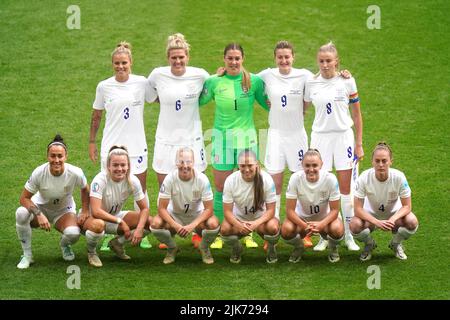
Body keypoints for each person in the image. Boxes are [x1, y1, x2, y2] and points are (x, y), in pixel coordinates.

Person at [200, 43, 269, 250]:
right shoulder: (214, 82)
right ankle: (223, 231)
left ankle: (248, 233)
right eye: (230, 58)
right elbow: (198, 102)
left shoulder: (254, 82)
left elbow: (268, 105)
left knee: (250, 187)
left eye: (237, 58)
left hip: (247, 142)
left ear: (243, 59)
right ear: (224, 59)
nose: (233, 62)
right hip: (220, 142)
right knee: (221, 189)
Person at [89, 41, 156, 251]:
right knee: (107, 191)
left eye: (124, 63)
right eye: (117, 63)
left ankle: (142, 233)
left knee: (140, 190)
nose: (121, 67)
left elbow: (159, 97)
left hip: (137, 147)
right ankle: (106, 232)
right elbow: (96, 115)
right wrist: (92, 141)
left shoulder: (142, 83)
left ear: (131, 62)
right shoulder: (104, 86)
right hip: (111, 148)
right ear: (112, 64)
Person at [148, 33, 209, 249]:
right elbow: (150, 96)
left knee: (195, 185)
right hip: (165, 140)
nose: (178, 61)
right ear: (168, 57)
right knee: (165, 186)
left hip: (192, 140)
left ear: (187, 56)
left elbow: (210, 92)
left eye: (181, 57)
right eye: (174, 58)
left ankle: (196, 232)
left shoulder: (200, 76)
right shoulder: (157, 75)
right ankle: (169, 234)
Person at [304, 41, 362, 252]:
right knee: (322, 188)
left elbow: (356, 115)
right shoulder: (311, 83)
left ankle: (348, 235)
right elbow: (301, 107)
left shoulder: (347, 81)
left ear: (336, 61)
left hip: (343, 137)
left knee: (346, 189)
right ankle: (324, 236)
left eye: (328, 61)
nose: (325, 65)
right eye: (321, 61)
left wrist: (359, 143)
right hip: (320, 138)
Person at [15, 135, 105, 269]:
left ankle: (64, 245)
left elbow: (85, 189)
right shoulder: (39, 173)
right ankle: (27, 255)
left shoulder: (76, 172)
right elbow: (24, 198)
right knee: (21, 213)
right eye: (53, 156)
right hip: (40, 208)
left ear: (66, 157)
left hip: (64, 211)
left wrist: (85, 210)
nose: (56, 160)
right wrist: (39, 214)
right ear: (47, 156)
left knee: (73, 234)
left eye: (60, 156)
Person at [257, 40, 314, 249]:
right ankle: (271, 232)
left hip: (297, 135)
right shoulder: (266, 75)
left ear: (293, 57)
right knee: (274, 184)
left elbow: (313, 93)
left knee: (302, 182)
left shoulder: (304, 76)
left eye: (287, 57)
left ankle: (304, 231)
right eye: (280, 57)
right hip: (275, 135)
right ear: (275, 58)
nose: (283, 60)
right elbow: (246, 81)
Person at [150, 147, 220, 264]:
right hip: (175, 215)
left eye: (188, 162)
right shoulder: (170, 179)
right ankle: (172, 248)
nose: (185, 166)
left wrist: (192, 225)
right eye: (181, 162)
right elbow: (161, 208)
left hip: (196, 216)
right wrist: (176, 226)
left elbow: (209, 209)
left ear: (193, 162)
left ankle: (204, 248)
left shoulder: (202, 179)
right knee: (155, 224)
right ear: (176, 163)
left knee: (213, 224)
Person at [350, 142, 419, 261]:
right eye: (377, 161)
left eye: (384, 161)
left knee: (412, 221)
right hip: (371, 216)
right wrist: (376, 222)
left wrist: (392, 219)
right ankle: (369, 244)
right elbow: (358, 209)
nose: (380, 164)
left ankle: (396, 244)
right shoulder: (364, 177)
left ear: (390, 161)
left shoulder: (399, 177)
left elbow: (407, 206)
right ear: (372, 162)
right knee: (354, 225)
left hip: (394, 216)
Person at [90, 145, 152, 262]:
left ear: (128, 166)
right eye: (115, 165)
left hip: (115, 216)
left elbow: (144, 209)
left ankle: (117, 243)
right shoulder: (100, 180)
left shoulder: (133, 181)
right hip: (94, 219)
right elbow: (95, 211)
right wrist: (120, 221)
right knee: (97, 225)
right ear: (108, 166)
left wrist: (139, 229)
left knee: (151, 222)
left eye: (123, 165)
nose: (120, 168)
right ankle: (91, 252)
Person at [281, 149, 344, 263]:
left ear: (321, 165)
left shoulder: (330, 179)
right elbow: (289, 211)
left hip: (326, 219)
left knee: (337, 229)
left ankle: (333, 248)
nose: (311, 169)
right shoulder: (295, 178)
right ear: (302, 165)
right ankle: (299, 247)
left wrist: (321, 224)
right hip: (302, 219)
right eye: (307, 166)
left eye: (315, 165)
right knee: (286, 230)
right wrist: (305, 225)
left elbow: (335, 210)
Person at [220, 149, 279, 263]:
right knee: (225, 229)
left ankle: (271, 249)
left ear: (256, 164)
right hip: (240, 218)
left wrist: (255, 224)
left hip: (262, 219)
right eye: (242, 166)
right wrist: (239, 225)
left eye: (250, 165)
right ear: (238, 165)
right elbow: (227, 212)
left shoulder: (266, 179)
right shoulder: (231, 180)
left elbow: (271, 210)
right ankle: (237, 248)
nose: (246, 169)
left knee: (273, 227)